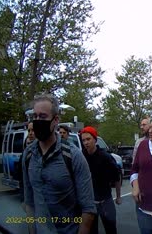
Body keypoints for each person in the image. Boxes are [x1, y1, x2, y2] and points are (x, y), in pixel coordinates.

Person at [22, 93, 95, 233]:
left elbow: (88, 209)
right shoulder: (28, 154)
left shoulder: (73, 156)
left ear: (55, 120)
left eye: (42, 117)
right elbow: (29, 202)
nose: (37, 121)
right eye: (35, 116)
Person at [81, 126, 122, 234]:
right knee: (91, 229)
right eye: (83, 140)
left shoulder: (105, 157)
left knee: (110, 228)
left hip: (105, 200)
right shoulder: (81, 156)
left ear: (95, 139)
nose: (86, 143)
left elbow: (117, 177)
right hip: (90, 201)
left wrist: (118, 196)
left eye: (88, 139)